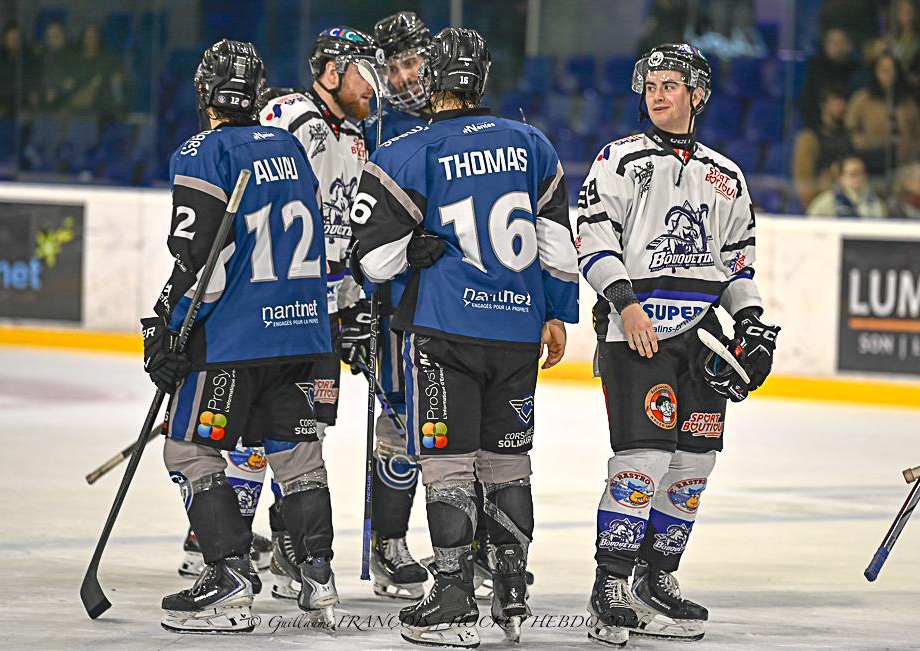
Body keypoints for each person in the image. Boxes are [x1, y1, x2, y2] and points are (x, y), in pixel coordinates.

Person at [351, 27, 579, 647]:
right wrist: (555, 313)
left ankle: (452, 595)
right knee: (508, 461)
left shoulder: (408, 151)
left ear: (434, 80)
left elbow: (372, 261)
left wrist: (409, 252)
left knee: (449, 462)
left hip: (445, 331)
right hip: (517, 333)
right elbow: (559, 247)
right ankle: (510, 588)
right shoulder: (532, 143)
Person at [575, 43, 780, 645]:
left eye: (670, 84)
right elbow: (593, 238)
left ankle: (656, 576)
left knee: (693, 465)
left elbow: (737, 263)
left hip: (701, 337)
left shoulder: (726, 175)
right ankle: (610, 584)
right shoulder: (619, 159)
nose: (658, 94)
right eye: (651, 86)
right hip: (636, 332)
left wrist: (752, 325)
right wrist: (625, 304)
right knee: (642, 461)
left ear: (698, 94)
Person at [143, 39, 336, 633]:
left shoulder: (201, 151)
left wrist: (167, 326)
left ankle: (227, 578)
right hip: (303, 332)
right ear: (257, 94)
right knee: (297, 455)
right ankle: (317, 576)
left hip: (235, 336)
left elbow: (201, 261)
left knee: (188, 448)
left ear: (204, 94)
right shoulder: (290, 147)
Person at [259, 25, 380, 601]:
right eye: (363, 72)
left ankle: (288, 544)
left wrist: (356, 302)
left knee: (305, 430)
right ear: (331, 72)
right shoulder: (286, 116)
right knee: (257, 426)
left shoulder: (356, 135)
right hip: (278, 304)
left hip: (326, 310)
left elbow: (350, 232)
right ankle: (213, 539)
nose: (374, 85)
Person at [354, 10, 434, 601]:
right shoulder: (372, 134)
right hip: (399, 301)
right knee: (402, 418)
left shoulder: (465, 113)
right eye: (395, 68)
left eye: (414, 62)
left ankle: (471, 546)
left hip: (465, 301)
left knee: (472, 423)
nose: (406, 77)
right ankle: (390, 543)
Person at [844, 52, 920, 181]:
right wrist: (864, 144)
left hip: (904, 165)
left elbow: (917, 131)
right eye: (884, 70)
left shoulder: (907, 101)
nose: (889, 74)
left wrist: (914, 151)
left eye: (892, 70)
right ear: (876, 72)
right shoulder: (862, 99)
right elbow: (850, 128)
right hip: (872, 165)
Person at [792, 87, 854, 208]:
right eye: (836, 100)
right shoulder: (809, 139)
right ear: (824, 105)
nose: (841, 105)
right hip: (819, 205)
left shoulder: (850, 137)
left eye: (843, 100)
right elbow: (804, 184)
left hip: (850, 203)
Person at [797, 27, 864, 128]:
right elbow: (807, 103)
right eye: (832, 43)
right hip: (817, 127)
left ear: (849, 46)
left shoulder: (857, 73)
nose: (837, 47)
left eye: (840, 42)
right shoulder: (816, 70)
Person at [806, 155, 887, 218]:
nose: (859, 178)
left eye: (862, 173)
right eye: (853, 174)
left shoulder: (876, 203)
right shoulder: (826, 203)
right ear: (840, 177)